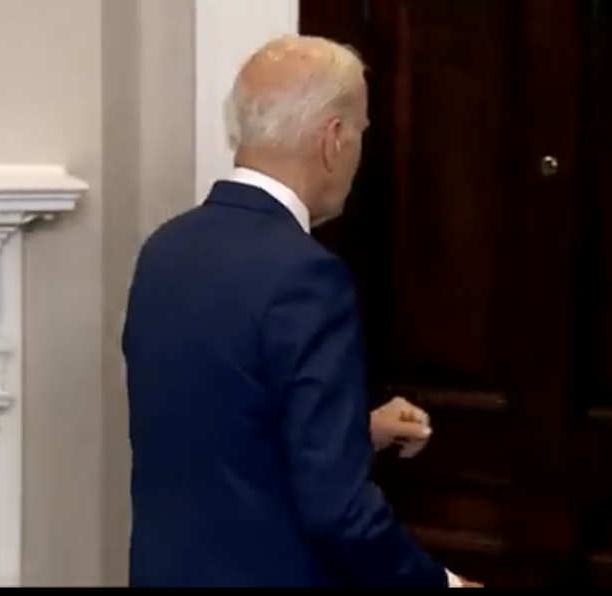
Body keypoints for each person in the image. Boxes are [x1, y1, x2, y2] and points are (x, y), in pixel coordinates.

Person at [122, 35, 479, 588]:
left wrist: (354, 431)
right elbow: (338, 510)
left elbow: (220, 433)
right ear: (333, 140)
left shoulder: (165, 249)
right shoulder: (306, 277)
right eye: (360, 131)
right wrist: (442, 586)